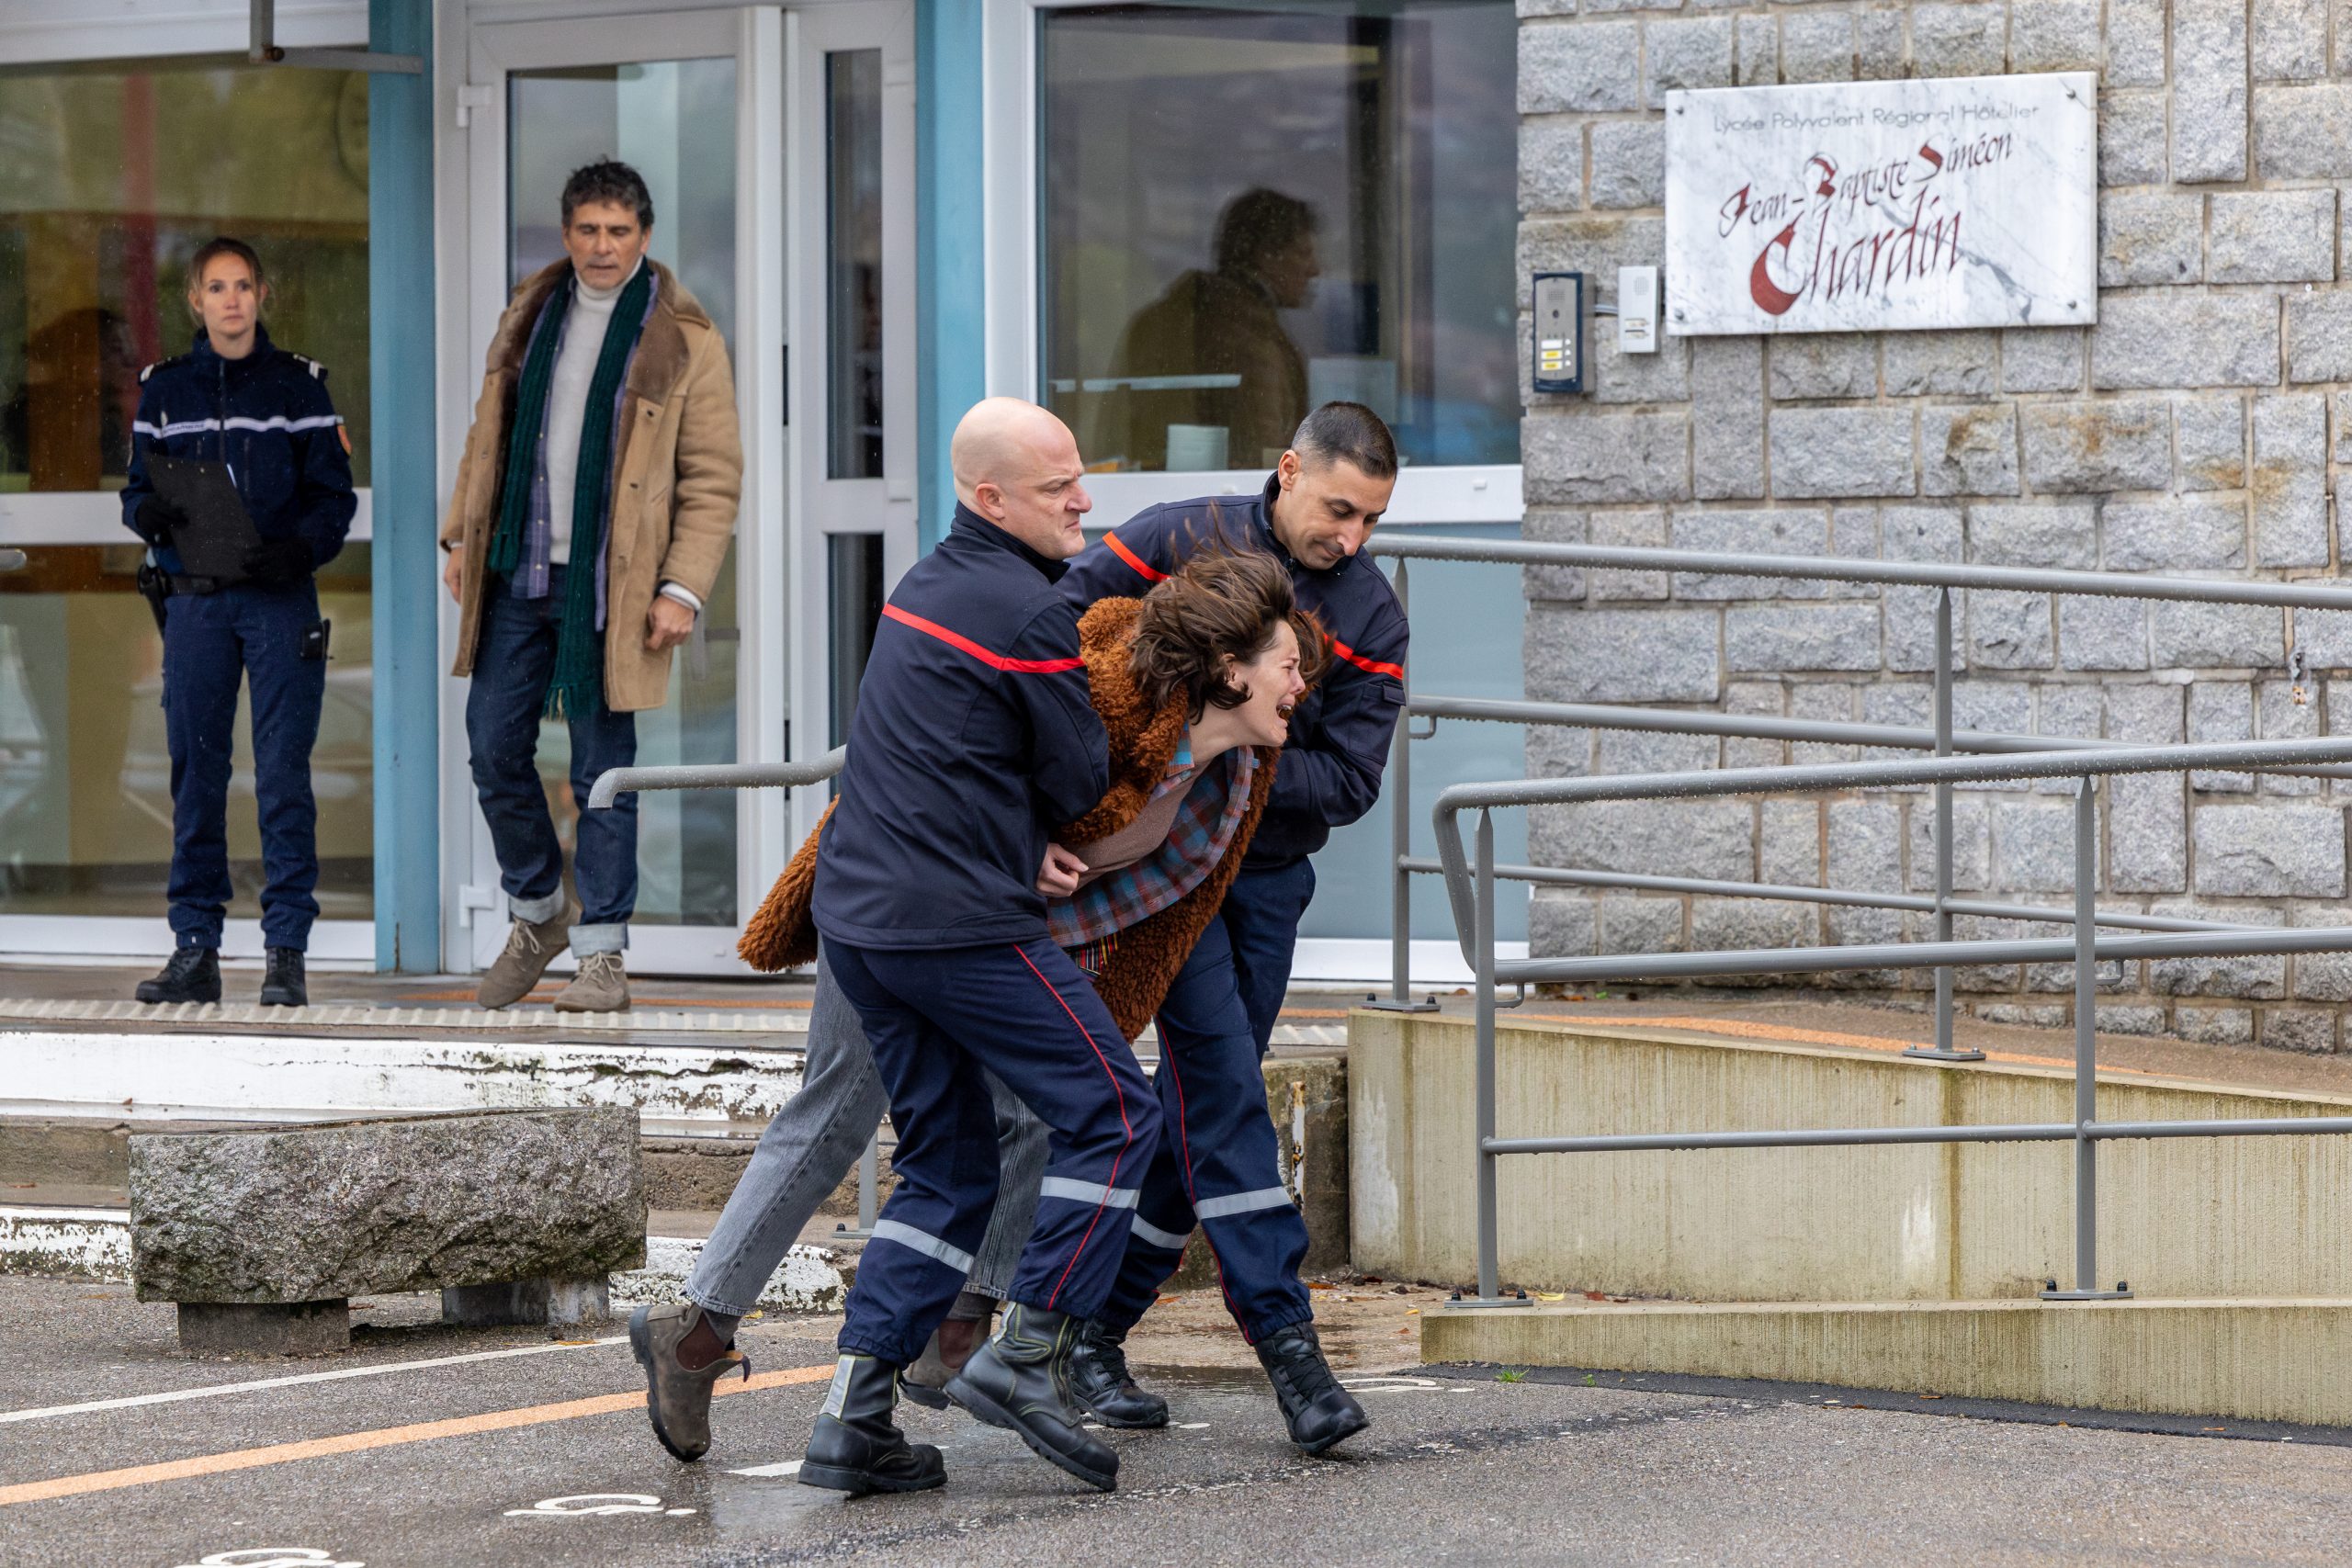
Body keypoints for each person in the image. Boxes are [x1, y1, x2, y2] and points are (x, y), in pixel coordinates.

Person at [628, 547, 1336, 1472]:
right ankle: (700, 1336)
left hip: (993, 930)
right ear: (1230, 665)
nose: (1303, 689)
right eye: (1288, 665)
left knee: (1045, 1115)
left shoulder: (1230, 776)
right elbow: (964, 752)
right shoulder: (1108, 683)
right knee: (841, 1112)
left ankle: (938, 1353)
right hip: (902, 894)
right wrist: (1016, 840)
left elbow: (1170, 905)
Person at [1053, 400, 1405, 1425]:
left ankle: (1089, 1333)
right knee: (1221, 1095)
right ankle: (1291, 1355)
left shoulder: (1373, 618)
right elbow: (1060, 645)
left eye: (1372, 520)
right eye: (1339, 510)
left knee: (1205, 1108)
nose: (1353, 539)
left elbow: (1350, 784)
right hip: (1152, 869)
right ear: (1289, 469)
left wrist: (1233, 762)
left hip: (1260, 879)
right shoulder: (1174, 536)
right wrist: (1160, 762)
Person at [440, 159, 740, 1012]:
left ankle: (602, 954)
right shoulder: (531, 312)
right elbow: (487, 438)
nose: (602, 246)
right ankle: (538, 913)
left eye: (618, 231)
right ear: (567, 232)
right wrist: (461, 534)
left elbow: (712, 475)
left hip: (615, 588)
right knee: (493, 746)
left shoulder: (685, 335)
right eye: (587, 230)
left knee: (603, 772)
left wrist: (682, 587)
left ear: (644, 236)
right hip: (519, 568)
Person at [121, 237, 356, 1007]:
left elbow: (334, 500)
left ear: (262, 296)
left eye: (243, 286)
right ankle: (195, 947)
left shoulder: (298, 387)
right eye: (217, 287)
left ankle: (285, 952)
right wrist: (146, 514)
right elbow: (135, 490)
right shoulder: (164, 391)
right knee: (196, 775)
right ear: (196, 300)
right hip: (194, 602)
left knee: (283, 776)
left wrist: (300, 549)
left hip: (278, 601)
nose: (231, 299)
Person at [1091, 187, 1319, 472]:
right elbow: (1261, 452)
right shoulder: (1246, 334)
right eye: (1303, 253)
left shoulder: (1167, 318)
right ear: (1267, 256)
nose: (1314, 269)